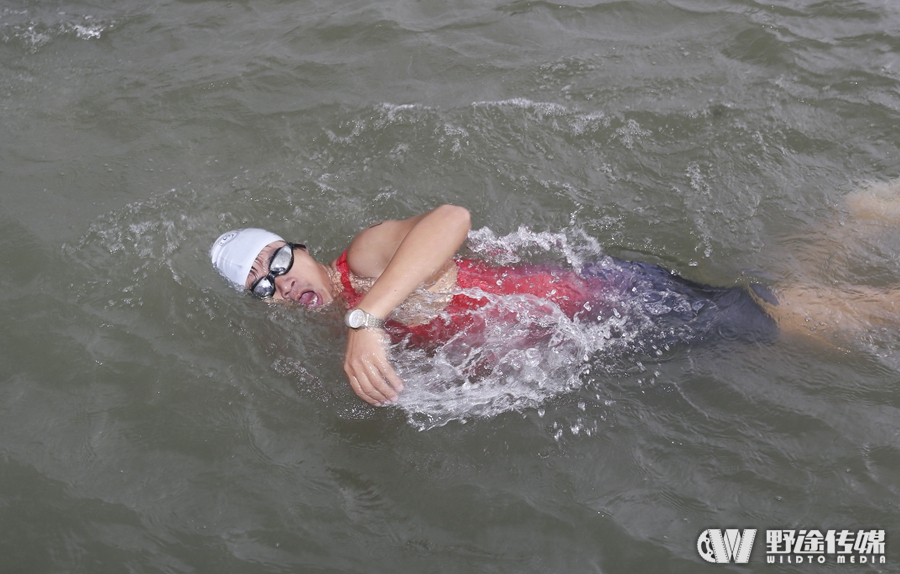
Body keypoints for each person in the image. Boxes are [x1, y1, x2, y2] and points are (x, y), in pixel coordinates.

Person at [210, 198, 900, 406]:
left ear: (298, 248)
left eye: (275, 261)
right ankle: (854, 219)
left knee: (779, 329)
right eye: (260, 287)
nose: (278, 281)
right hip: (588, 338)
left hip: (604, 301)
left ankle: (865, 235)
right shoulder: (338, 334)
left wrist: (367, 318)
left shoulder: (362, 264)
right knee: (771, 318)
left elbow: (451, 219)